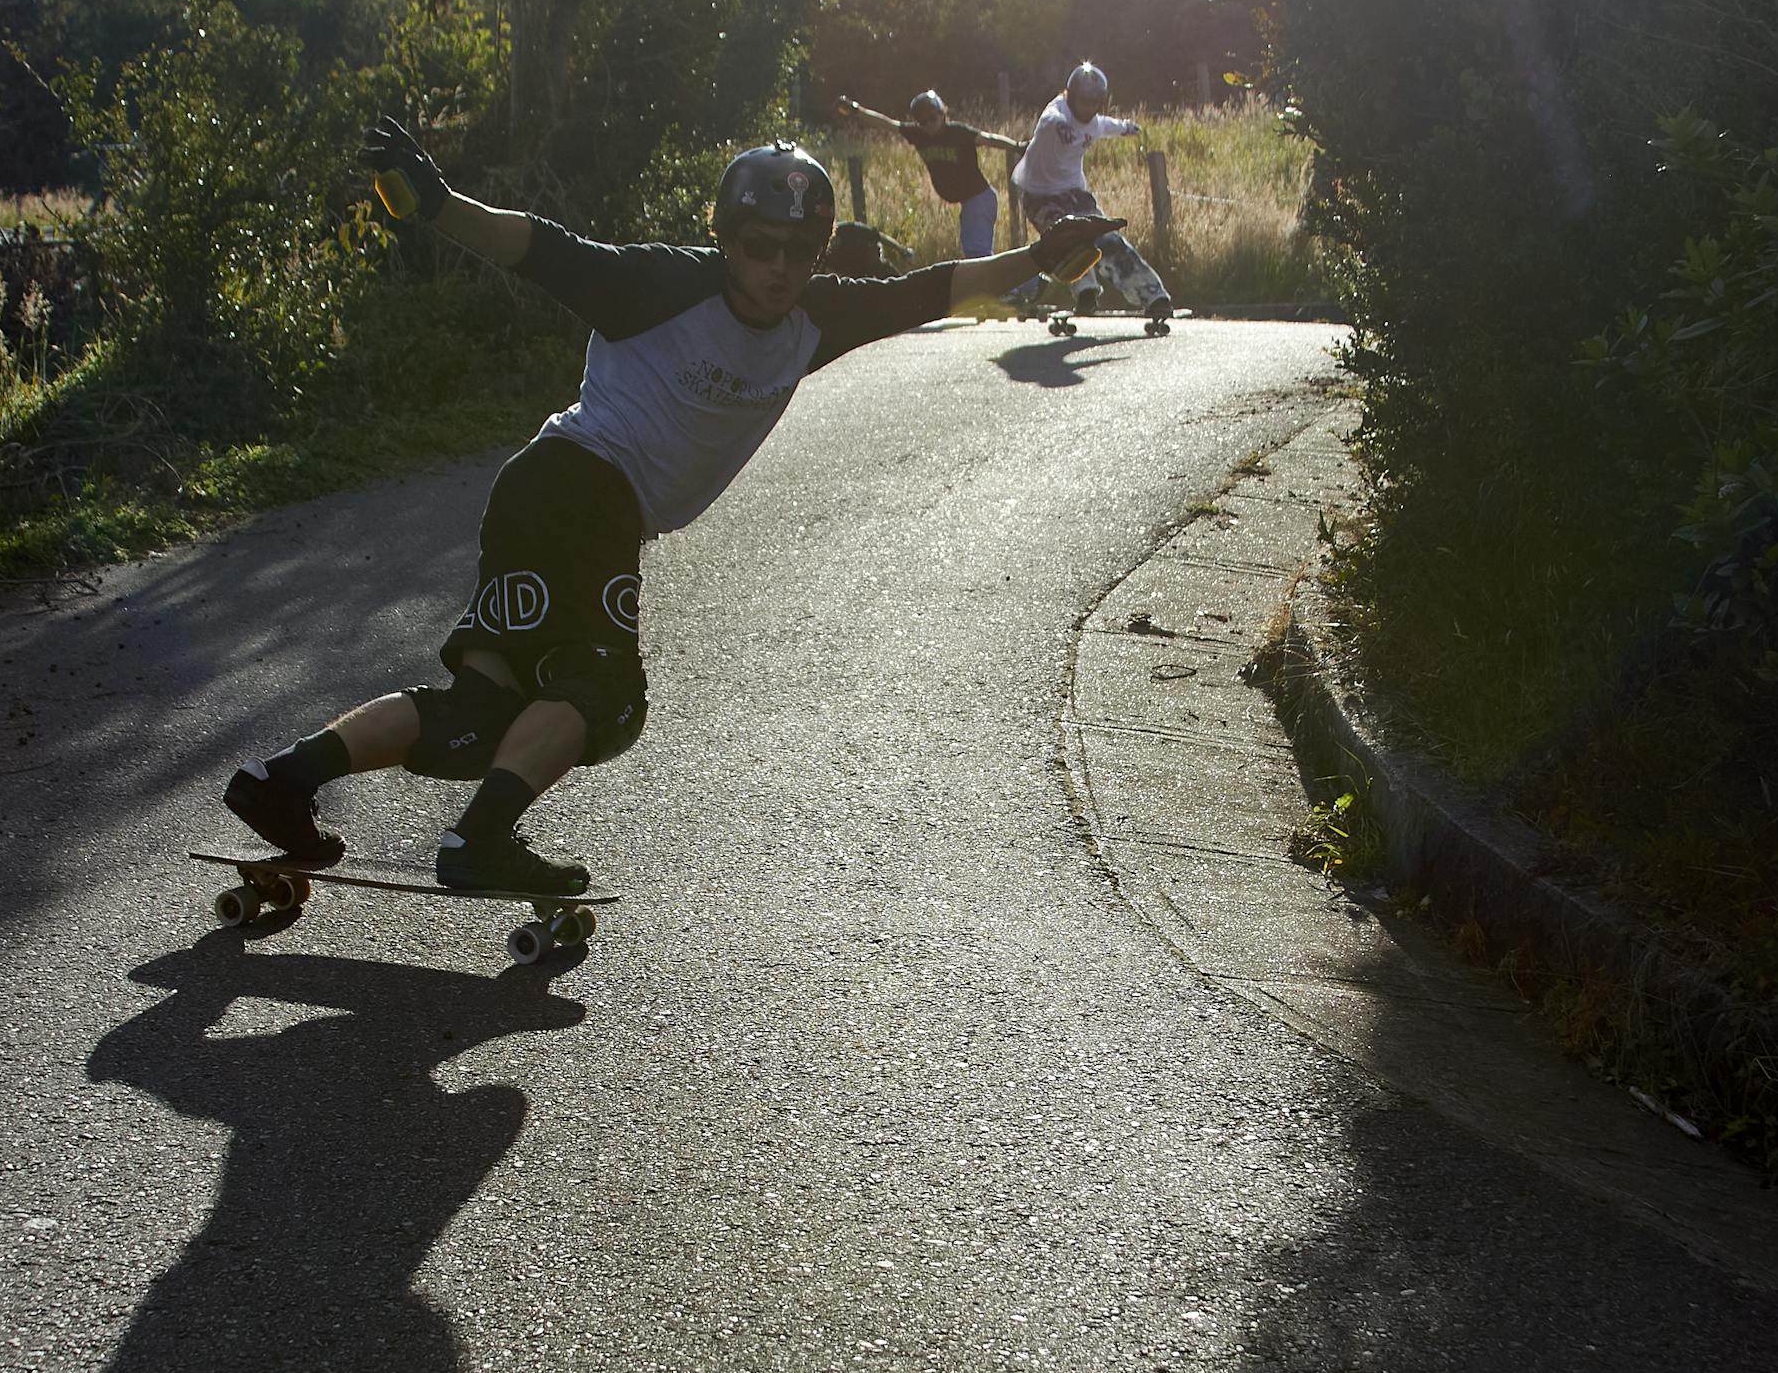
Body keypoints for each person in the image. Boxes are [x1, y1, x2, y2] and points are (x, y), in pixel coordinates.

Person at [221, 129, 1121, 897]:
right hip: (578, 486)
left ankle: (282, 781)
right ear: (724, 237)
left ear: (821, 249)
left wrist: (1041, 259)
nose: (775, 270)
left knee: (480, 713)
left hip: (551, 493)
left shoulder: (819, 316)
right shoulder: (658, 285)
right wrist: (439, 202)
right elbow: (537, 249)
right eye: (757, 245)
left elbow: (939, 288)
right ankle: (479, 843)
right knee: (603, 699)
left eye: (797, 251)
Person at [1013, 63, 1175, 333]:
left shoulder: (1095, 122)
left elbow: (1106, 125)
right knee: (1069, 240)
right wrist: (1060, 125)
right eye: (1083, 102)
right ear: (1071, 96)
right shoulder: (1056, 114)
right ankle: (1086, 291)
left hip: (1075, 193)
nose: (1088, 109)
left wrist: (1127, 128)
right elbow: (1049, 118)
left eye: (1094, 103)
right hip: (1040, 196)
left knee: (1109, 239)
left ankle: (1152, 295)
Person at [837, 88, 1023, 259]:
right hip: (970, 202)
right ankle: (1021, 287)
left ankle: (1019, 288)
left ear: (943, 114)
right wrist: (856, 110)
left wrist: (1017, 147)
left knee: (978, 255)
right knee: (976, 254)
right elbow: (887, 124)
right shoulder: (919, 135)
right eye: (922, 121)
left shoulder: (957, 133)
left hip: (979, 199)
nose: (928, 125)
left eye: (932, 118)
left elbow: (989, 139)